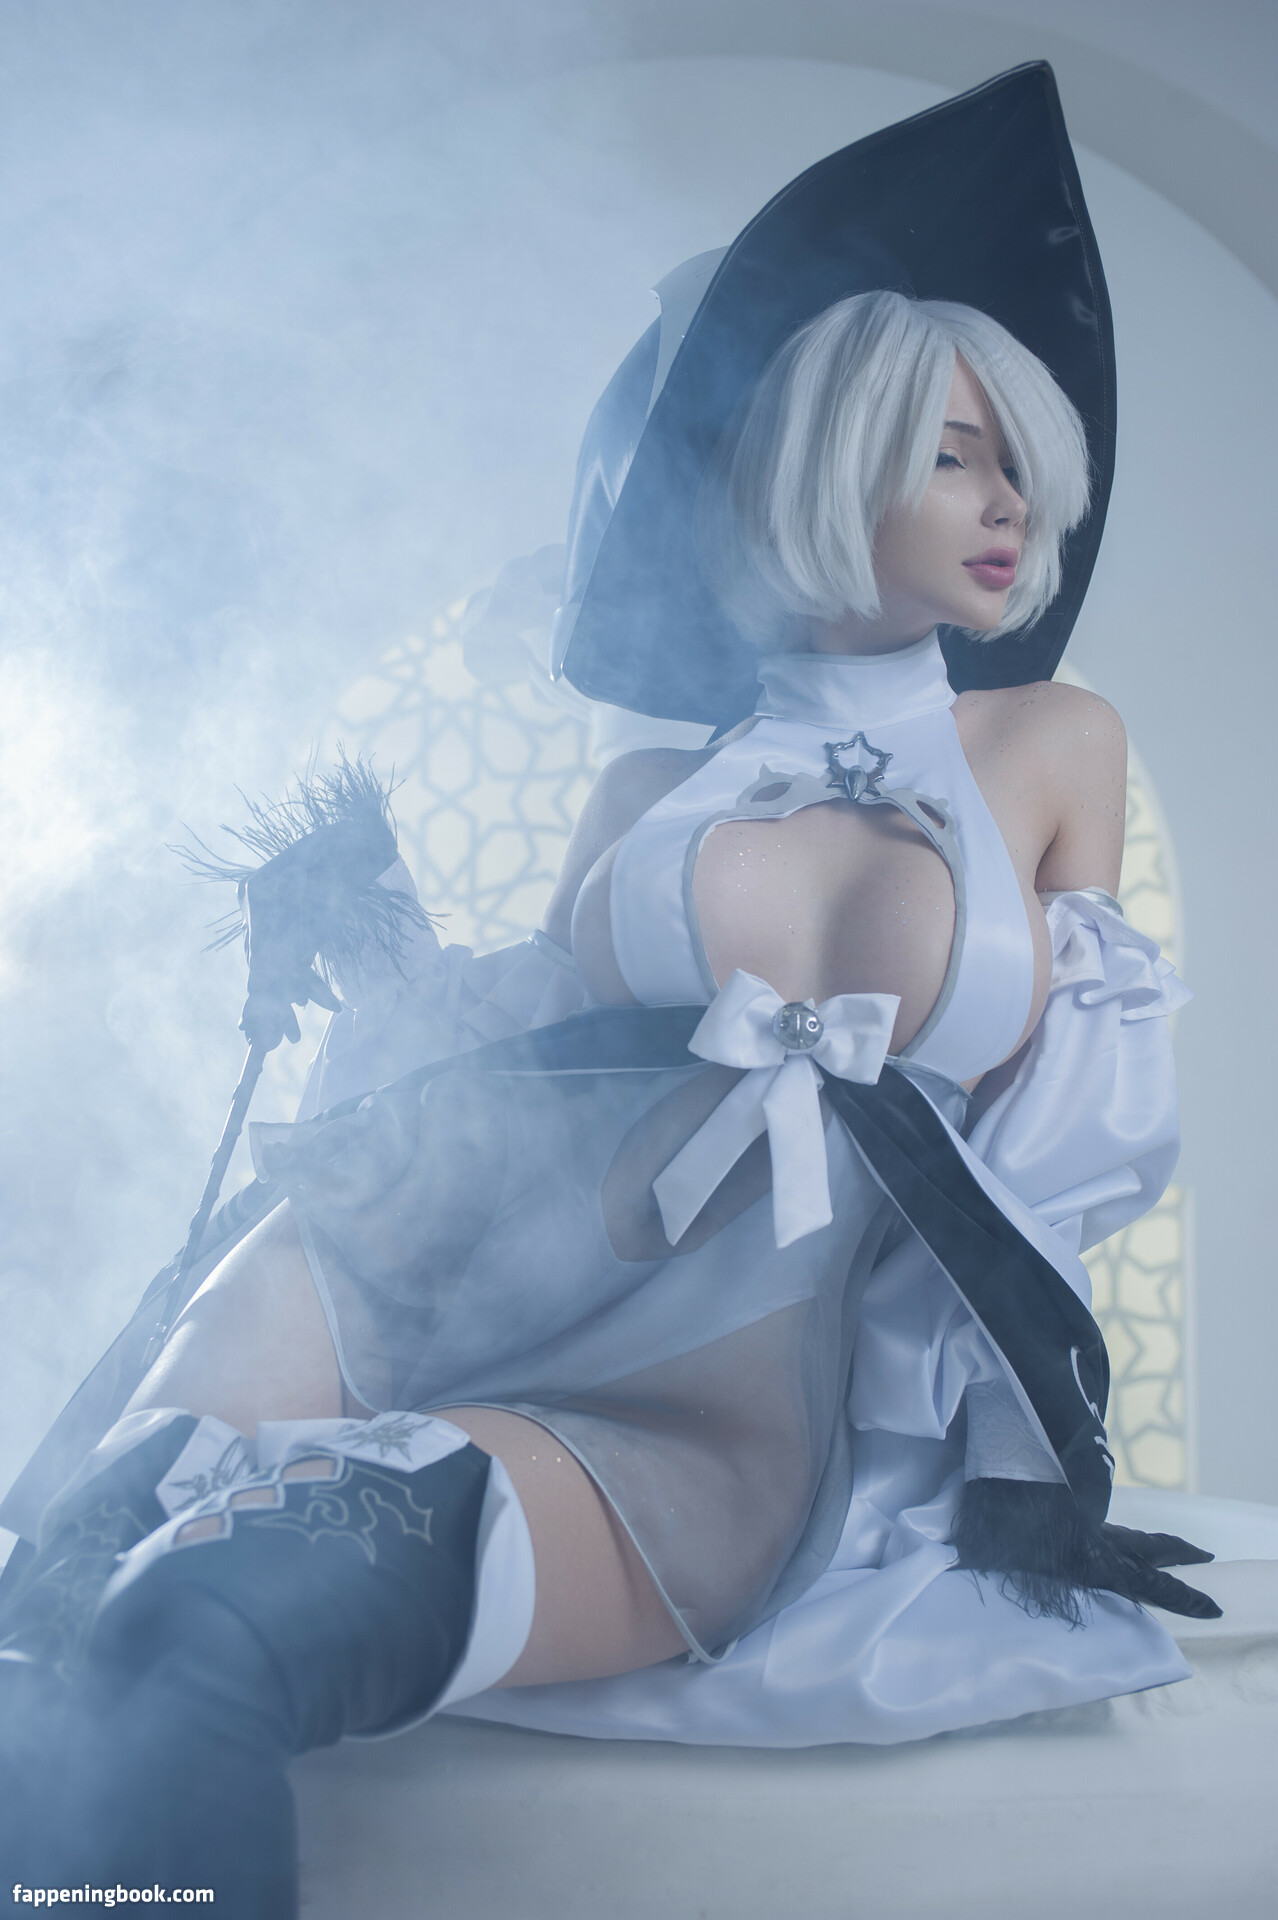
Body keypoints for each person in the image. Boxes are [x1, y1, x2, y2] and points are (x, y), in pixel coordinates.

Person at [0, 63, 1216, 1910]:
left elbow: (1075, 1145)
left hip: (716, 1400)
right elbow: (514, 1060)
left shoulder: (1050, 741)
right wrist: (371, 944)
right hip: (442, 1266)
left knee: (205, 1625)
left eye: (1019, 462)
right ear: (820, 465)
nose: (1010, 504)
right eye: (954, 454)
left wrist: (1004, 1454)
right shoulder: (655, 783)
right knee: (53, 1604)